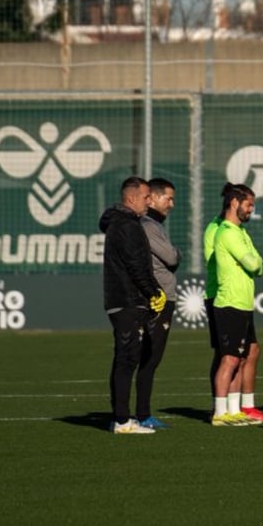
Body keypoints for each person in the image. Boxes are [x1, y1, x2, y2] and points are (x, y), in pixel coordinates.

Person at [100, 176, 166, 434]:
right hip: (127, 300)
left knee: (125, 358)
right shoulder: (127, 226)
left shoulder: (122, 223)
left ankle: (122, 417)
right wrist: (153, 292)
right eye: (145, 196)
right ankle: (122, 421)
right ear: (131, 198)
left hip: (123, 300)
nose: (149, 202)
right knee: (127, 358)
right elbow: (135, 265)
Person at [209, 184, 263, 427]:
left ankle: (233, 410)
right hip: (229, 303)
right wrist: (254, 262)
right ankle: (220, 412)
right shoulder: (228, 233)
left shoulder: (241, 232)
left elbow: (258, 263)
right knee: (229, 358)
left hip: (243, 303)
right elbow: (253, 264)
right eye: (249, 204)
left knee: (240, 359)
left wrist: (255, 262)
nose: (251, 209)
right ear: (234, 203)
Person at [134, 177, 180, 430]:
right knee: (148, 358)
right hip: (158, 299)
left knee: (146, 358)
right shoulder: (149, 225)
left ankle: (138, 412)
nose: (171, 204)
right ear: (152, 198)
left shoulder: (152, 225)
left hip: (158, 297)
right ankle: (141, 414)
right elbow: (172, 257)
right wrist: (177, 253)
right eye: (169, 198)